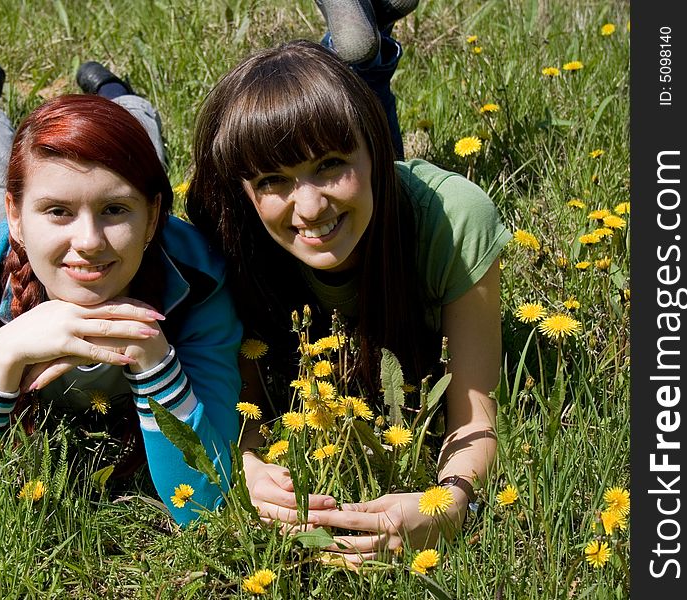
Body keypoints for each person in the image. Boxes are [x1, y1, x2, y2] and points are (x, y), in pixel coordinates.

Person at [186, 35, 510, 560]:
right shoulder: (226, 239)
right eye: (274, 179)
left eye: (332, 164)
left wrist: (451, 505)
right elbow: (236, 401)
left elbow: (474, 417)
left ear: (376, 151)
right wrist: (244, 459)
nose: (310, 207)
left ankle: (364, 45)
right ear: (244, 192)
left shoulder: (454, 219)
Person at [0, 61, 242, 537]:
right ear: (16, 217)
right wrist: (2, 356)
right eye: (57, 211)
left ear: (152, 218)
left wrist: (153, 358)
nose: (89, 241)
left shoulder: (200, 281)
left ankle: (113, 90)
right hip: (12, 256)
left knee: (133, 150)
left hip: (112, 237)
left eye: (115, 210)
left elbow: (205, 503)